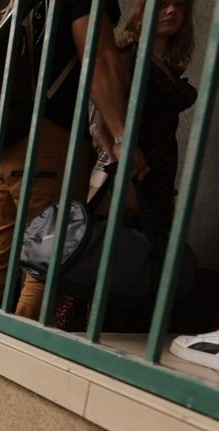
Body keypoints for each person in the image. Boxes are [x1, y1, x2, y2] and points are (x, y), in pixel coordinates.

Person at [0, 0, 149, 320]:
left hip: (9, 139)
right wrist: (122, 136)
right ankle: (22, 354)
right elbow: (97, 58)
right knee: (50, 257)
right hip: (49, 136)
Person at [55, 0, 197, 332]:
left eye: (179, 6)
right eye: (162, 4)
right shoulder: (128, 56)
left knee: (145, 252)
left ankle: (130, 330)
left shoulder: (166, 64)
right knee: (116, 248)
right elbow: (99, 123)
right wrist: (121, 171)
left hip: (160, 170)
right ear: (142, 11)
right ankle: (87, 328)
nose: (171, 11)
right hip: (130, 167)